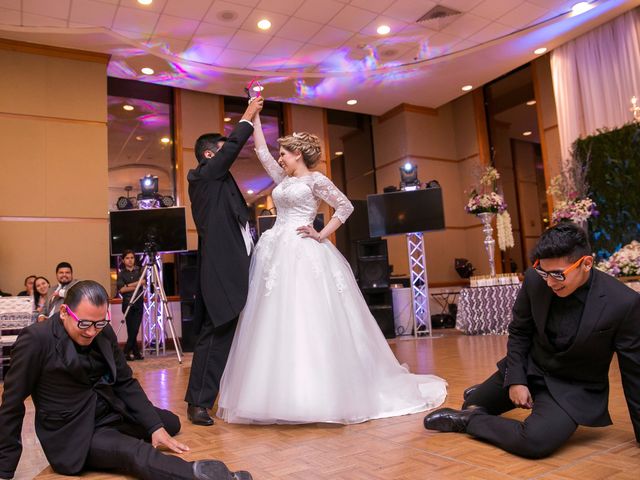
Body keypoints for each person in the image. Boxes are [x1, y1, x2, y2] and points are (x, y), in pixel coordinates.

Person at [216, 112, 447, 425]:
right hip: (276, 252)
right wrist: (254, 118)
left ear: (298, 154)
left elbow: (345, 207)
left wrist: (321, 234)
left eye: (283, 153)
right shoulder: (283, 180)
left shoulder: (315, 180)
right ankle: (277, 394)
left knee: (309, 317)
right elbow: (260, 151)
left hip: (303, 249)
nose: (279, 158)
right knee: (276, 320)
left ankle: (319, 394)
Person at [423, 222, 640, 458]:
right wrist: (516, 379)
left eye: (558, 274)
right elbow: (520, 332)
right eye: (543, 272)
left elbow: (634, 372)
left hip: (572, 387)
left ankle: (469, 421)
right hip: (531, 366)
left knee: (534, 442)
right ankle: (483, 399)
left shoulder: (623, 303)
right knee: (474, 401)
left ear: (586, 263)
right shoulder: (535, 280)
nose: (549, 282)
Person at [0, 280, 252, 480]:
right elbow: (12, 403)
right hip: (74, 431)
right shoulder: (36, 340)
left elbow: (125, 382)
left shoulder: (102, 331)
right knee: (134, 453)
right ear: (65, 312)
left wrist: (154, 427)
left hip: (108, 410)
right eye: (84, 324)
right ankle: (209, 475)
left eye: (99, 324)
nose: (91, 332)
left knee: (169, 424)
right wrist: (5, 467)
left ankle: (129, 437)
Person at [184, 97, 264, 426]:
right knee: (215, 335)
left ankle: (210, 397)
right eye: (221, 148)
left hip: (236, 266)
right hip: (220, 270)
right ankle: (198, 403)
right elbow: (232, 147)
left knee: (224, 335)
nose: (227, 151)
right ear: (209, 155)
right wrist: (248, 114)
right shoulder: (202, 176)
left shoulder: (220, 181)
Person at [117, 249, 145, 361]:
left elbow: (143, 283)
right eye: (127, 258)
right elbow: (122, 290)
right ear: (123, 260)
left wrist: (128, 285)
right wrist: (136, 285)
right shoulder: (121, 273)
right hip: (127, 304)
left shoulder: (139, 271)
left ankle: (128, 352)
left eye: (132, 258)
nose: (130, 260)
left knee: (135, 329)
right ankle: (131, 353)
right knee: (131, 330)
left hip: (138, 303)